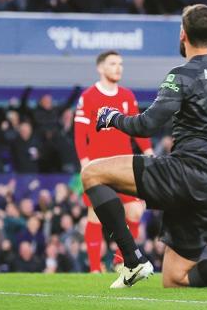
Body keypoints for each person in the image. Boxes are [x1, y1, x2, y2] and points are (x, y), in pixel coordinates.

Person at [80, 4, 207, 289]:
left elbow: (147, 125)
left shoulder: (181, 76)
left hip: (183, 173)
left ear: (183, 34)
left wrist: (112, 117)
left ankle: (132, 260)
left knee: (92, 174)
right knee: (175, 279)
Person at [74, 50, 154, 273]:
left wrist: (148, 151)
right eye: (112, 63)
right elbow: (80, 133)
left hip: (124, 166)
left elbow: (138, 128)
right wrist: (85, 162)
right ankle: (94, 269)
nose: (118, 67)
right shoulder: (88, 97)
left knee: (135, 212)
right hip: (98, 168)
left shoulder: (127, 96)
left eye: (120, 64)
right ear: (100, 68)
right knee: (96, 216)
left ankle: (121, 261)